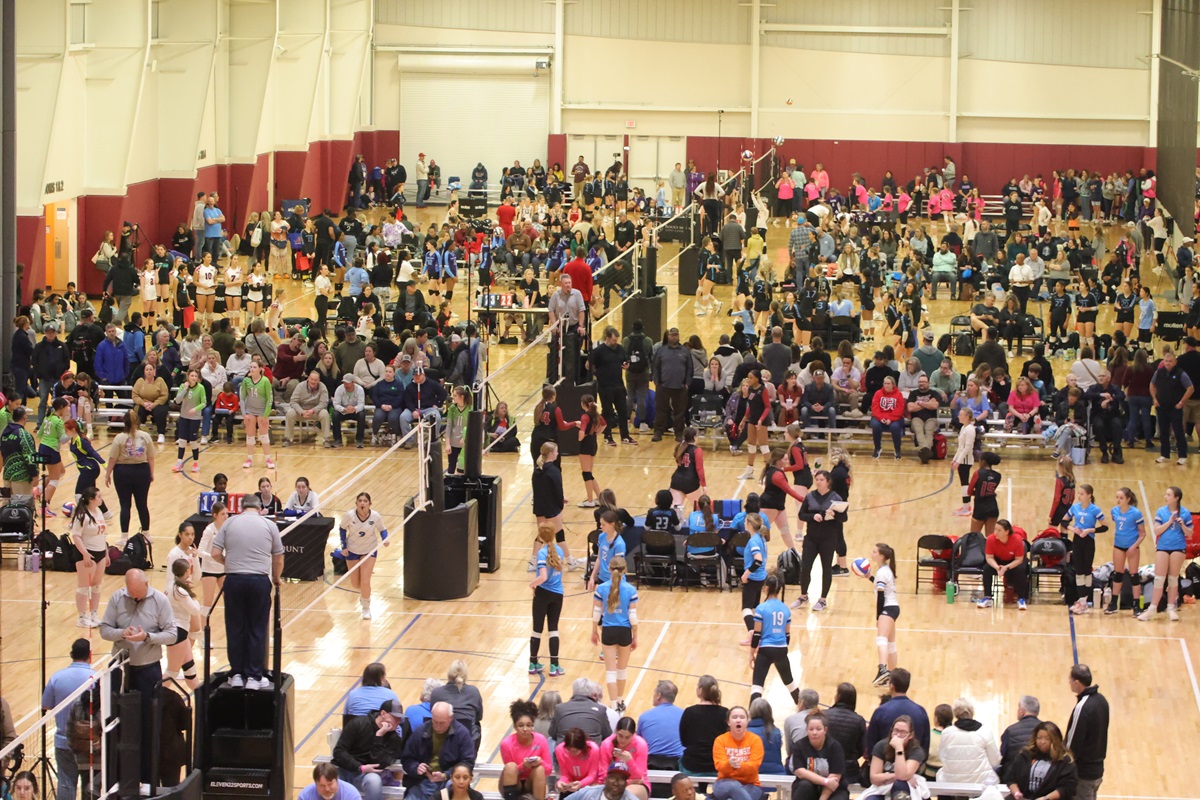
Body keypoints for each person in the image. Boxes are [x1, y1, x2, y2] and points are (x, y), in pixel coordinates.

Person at [98, 570, 177, 786]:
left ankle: (147, 779)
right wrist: (122, 633)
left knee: (148, 724)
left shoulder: (160, 601)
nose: (135, 598)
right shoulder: (117, 598)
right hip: (120, 669)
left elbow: (172, 635)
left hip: (147, 671)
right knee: (116, 722)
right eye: (131, 594)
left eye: (138, 594)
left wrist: (148, 637)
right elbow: (104, 630)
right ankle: (117, 778)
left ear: (147, 584)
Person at [210, 493, 284, 690]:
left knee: (235, 627)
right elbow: (278, 557)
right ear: (259, 508)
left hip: (234, 580)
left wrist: (230, 564)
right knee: (257, 628)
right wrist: (276, 578)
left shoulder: (230, 523)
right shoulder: (269, 525)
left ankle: (236, 674)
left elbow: (214, 553)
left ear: (242, 507)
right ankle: (253, 676)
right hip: (259, 581)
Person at [42, 638, 96, 800]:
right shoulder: (96, 678)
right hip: (88, 744)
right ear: (90, 655)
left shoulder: (56, 678)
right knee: (90, 786)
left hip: (63, 742)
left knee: (66, 784)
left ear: (72, 654)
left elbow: (46, 705)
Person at [400, 701, 477, 800]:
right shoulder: (421, 731)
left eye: (442, 723)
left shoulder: (462, 734)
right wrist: (416, 767)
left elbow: (468, 762)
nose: (438, 726)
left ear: (451, 718)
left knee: (454, 787)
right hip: (421, 782)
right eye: (435, 721)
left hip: (448, 781)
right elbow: (407, 758)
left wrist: (446, 775)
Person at [333, 699, 408, 800]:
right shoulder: (358, 724)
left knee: (374, 781)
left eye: (399, 719)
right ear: (383, 713)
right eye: (395, 718)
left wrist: (379, 737)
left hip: (367, 775)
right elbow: (339, 751)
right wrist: (360, 767)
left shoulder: (394, 739)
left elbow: (380, 763)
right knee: (327, 779)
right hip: (344, 770)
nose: (398, 722)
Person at [1138, 485, 1193, 621]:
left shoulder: (1185, 513)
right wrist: (1169, 522)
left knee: (1173, 578)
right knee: (1159, 578)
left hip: (1178, 547)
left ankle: (1171, 608)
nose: (1165, 497)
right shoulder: (1161, 511)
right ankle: (1152, 609)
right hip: (1163, 546)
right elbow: (1157, 531)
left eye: (1168, 495)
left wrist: (1182, 524)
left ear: (1176, 498)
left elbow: (1190, 533)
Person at [794, 470, 846, 613]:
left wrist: (834, 514)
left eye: (821, 479)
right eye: (816, 479)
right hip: (811, 538)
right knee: (805, 567)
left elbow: (844, 518)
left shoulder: (836, 498)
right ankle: (803, 595)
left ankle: (823, 599)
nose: (818, 482)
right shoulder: (810, 496)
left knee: (826, 569)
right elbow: (801, 514)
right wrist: (812, 516)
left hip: (828, 539)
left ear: (828, 482)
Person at [592, 556, 638, 711]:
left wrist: (594, 631)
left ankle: (612, 705)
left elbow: (596, 613)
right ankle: (619, 701)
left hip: (608, 631)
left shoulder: (601, 588)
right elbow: (633, 616)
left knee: (610, 671)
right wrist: (635, 636)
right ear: (625, 570)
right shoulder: (631, 590)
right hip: (625, 631)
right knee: (622, 670)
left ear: (609, 569)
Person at [104, 411, 155, 545]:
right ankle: (146, 534)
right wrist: (151, 472)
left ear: (124, 422)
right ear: (137, 421)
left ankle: (124, 536)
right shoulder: (145, 436)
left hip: (122, 472)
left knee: (125, 504)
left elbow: (113, 458)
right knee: (142, 504)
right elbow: (150, 457)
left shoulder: (119, 438)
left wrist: (107, 474)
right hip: (142, 471)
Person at [749, 573, 799, 705]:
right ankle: (807, 710)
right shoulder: (786, 609)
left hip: (765, 650)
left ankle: (753, 715)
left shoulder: (761, 608)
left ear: (766, 588)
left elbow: (757, 634)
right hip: (781, 649)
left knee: (757, 686)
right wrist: (782, 651)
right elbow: (787, 636)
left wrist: (751, 653)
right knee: (790, 683)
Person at [340, 492, 390, 620]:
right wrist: (344, 546)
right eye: (360, 501)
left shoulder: (375, 516)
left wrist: (385, 539)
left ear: (369, 504)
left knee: (365, 581)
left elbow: (382, 529)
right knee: (355, 584)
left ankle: (366, 607)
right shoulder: (349, 515)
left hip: (369, 549)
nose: (362, 503)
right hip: (352, 550)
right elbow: (342, 529)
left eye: (365, 501)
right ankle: (363, 595)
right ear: (356, 503)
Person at [1064, 664, 1109, 800]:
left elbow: (1072, 744)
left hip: (1083, 775)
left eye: (1070, 679)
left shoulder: (1082, 708)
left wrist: (1063, 766)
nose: (1069, 682)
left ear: (1077, 683)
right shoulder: (1102, 700)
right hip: (1097, 770)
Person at [68, 488, 109, 628]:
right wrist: (85, 554)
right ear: (91, 499)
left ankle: (93, 614)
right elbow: (76, 536)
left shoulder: (99, 512)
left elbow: (102, 534)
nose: (101, 498)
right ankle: (81, 617)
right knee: (84, 586)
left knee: (96, 586)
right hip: (86, 553)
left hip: (100, 552)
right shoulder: (82, 515)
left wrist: (106, 552)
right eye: (99, 496)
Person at [1005, 721, 1078, 800]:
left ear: (1055, 740)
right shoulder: (1025, 755)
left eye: (1047, 738)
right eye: (1039, 738)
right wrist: (1017, 793)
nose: (1042, 742)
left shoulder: (1065, 760)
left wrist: (1045, 798)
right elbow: (1011, 778)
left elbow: (1067, 787)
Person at [529, 525, 566, 677]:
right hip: (557, 594)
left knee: (537, 629)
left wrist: (532, 584)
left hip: (543, 593)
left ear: (540, 537)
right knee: (553, 629)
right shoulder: (560, 551)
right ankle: (554, 665)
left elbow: (543, 577)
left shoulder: (542, 553)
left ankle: (533, 663)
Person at [865, 669, 930, 756]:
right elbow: (925, 745)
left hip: (884, 762)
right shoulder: (921, 712)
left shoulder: (880, 711)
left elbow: (871, 744)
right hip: (912, 762)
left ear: (891, 686)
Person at [935, 698, 1000, 783]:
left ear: (955, 713)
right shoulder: (985, 732)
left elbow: (942, 757)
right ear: (972, 712)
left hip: (952, 781)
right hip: (980, 782)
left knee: (940, 773)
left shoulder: (946, 733)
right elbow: (995, 761)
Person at [860, 716, 925, 800]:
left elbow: (902, 776)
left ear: (910, 735)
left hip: (907, 789)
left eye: (903, 732)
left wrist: (899, 749)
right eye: (896, 730)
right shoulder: (881, 746)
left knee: (900, 786)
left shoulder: (916, 750)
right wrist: (897, 776)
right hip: (882, 788)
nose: (898, 735)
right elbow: (874, 778)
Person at [499, 699, 552, 800]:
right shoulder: (506, 744)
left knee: (540, 769)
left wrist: (540, 762)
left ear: (532, 725)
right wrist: (523, 766)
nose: (525, 729)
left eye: (528, 725)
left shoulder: (541, 740)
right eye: (521, 725)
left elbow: (548, 770)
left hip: (532, 782)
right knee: (511, 766)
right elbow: (510, 772)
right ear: (515, 726)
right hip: (514, 782)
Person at [863, 543, 900, 687]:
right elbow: (881, 586)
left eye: (874, 552)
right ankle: (892, 678)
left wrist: (878, 617)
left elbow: (881, 596)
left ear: (881, 556)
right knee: (891, 644)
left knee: (881, 639)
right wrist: (870, 577)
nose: (871, 553)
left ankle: (883, 669)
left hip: (887, 608)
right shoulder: (885, 570)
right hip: (893, 607)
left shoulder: (882, 572)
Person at [1064, 483, 1104, 615]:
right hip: (1077, 541)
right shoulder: (1075, 507)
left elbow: (1105, 527)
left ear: (1089, 496)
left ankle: (1084, 602)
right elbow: (1063, 521)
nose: (1079, 496)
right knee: (1078, 571)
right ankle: (1082, 601)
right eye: (1079, 493)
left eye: (1082, 494)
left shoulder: (1095, 510)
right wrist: (1072, 529)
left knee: (1087, 571)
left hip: (1088, 542)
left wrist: (1090, 530)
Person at [790, 712, 848, 800]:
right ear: (807, 730)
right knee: (804, 785)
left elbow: (834, 779)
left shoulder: (835, 747)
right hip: (809, 787)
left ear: (825, 730)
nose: (814, 732)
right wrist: (825, 781)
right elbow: (800, 772)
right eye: (811, 729)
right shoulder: (799, 745)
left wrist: (822, 798)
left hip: (832, 790)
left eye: (818, 729)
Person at [1150, 349, 1194, 465]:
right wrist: (1154, 399)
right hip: (1161, 406)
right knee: (1163, 431)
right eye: (1166, 361)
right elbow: (1152, 385)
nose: (1168, 363)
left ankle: (1182, 455)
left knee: (1178, 430)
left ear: (1175, 362)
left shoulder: (1181, 373)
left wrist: (1182, 402)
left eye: (1170, 361)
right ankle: (1164, 454)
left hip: (1175, 407)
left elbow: (1190, 388)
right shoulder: (1159, 372)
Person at [711, 706, 763, 800]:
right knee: (733, 785)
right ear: (728, 722)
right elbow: (719, 766)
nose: (738, 720)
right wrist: (729, 764)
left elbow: (754, 766)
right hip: (723, 783)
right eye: (734, 717)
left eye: (742, 717)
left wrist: (734, 766)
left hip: (751, 784)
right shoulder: (720, 740)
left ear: (747, 721)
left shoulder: (755, 740)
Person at [679, 675, 727, 775]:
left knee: (680, 762)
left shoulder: (689, 712)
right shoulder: (725, 713)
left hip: (692, 764)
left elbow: (684, 741)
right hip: (716, 764)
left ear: (700, 690)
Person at [431, 661, 485, 749]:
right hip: (469, 743)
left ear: (449, 674)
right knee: (476, 724)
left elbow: (433, 714)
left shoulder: (436, 693)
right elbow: (479, 717)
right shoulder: (474, 691)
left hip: (443, 741)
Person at [978, 519, 1029, 611]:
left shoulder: (1017, 540)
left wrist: (1006, 568)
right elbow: (989, 557)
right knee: (987, 569)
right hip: (998, 561)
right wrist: (997, 568)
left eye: (999, 530)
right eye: (995, 529)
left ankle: (1021, 599)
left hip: (1013, 562)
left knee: (1021, 570)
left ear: (1007, 532)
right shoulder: (990, 539)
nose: (995, 532)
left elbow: (1019, 559)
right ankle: (988, 597)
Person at [652, 328, 691, 442]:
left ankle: (679, 433)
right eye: (672, 335)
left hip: (680, 387)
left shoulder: (685, 351)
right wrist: (656, 381)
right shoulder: (661, 350)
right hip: (663, 386)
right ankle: (658, 432)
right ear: (668, 336)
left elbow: (690, 368)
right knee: (660, 410)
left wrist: (687, 383)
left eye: (676, 335)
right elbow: (655, 367)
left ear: (678, 336)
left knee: (679, 412)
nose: (674, 337)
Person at [597, 718, 650, 800]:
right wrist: (620, 783)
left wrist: (629, 761)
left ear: (633, 735)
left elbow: (639, 778)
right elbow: (603, 773)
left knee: (625, 794)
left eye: (627, 737)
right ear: (616, 732)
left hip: (637, 786)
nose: (623, 740)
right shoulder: (606, 744)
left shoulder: (641, 745)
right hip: (611, 784)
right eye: (620, 736)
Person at [637, 681, 684, 772]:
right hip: (677, 764)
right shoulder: (684, 715)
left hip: (651, 764)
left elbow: (639, 743)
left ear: (658, 695)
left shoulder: (645, 716)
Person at [550, 679, 612, 744]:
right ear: (591, 693)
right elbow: (607, 734)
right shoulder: (601, 709)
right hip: (591, 749)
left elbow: (552, 733)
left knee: (550, 740)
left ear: (574, 691)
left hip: (565, 748)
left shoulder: (560, 708)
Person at [239, 361, 275, 469]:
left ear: (260, 369)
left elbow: (270, 399)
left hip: (262, 411)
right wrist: (244, 414)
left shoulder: (265, 381)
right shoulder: (246, 381)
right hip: (250, 410)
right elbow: (242, 398)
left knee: (264, 436)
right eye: (250, 367)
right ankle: (249, 458)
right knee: (250, 435)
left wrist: (266, 415)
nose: (252, 369)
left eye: (254, 367)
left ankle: (268, 459)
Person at [999, 696, 1042, 776]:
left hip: (1014, 778)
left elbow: (1002, 757)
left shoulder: (1010, 731)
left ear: (1022, 712)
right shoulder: (1047, 730)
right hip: (1040, 778)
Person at [668, 428, 707, 514]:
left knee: (675, 509)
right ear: (694, 437)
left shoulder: (679, 447)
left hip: (676, 480)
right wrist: (704, 485)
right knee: (698, 509)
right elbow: (699, 469)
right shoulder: (697, 450)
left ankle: (674, 522)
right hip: (691, 481)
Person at [556, 727, 602, 797]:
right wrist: (560, 782)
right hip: (571, 785)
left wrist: (581, 784)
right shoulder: (560, 750)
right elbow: (565, 774)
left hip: (590, 785)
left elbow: (592, 775)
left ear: (583, 747)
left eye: (576, 751)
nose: (573, 753)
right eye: (569, 750)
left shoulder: (593, 749)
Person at [968, 451, 1003, 535]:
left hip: (980, 508)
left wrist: (977, 492)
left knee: (974, 537)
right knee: (990, 537)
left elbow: (969, 492)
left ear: (983, 461)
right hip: (993, 507)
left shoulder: (977, 473)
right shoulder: (998, 475)